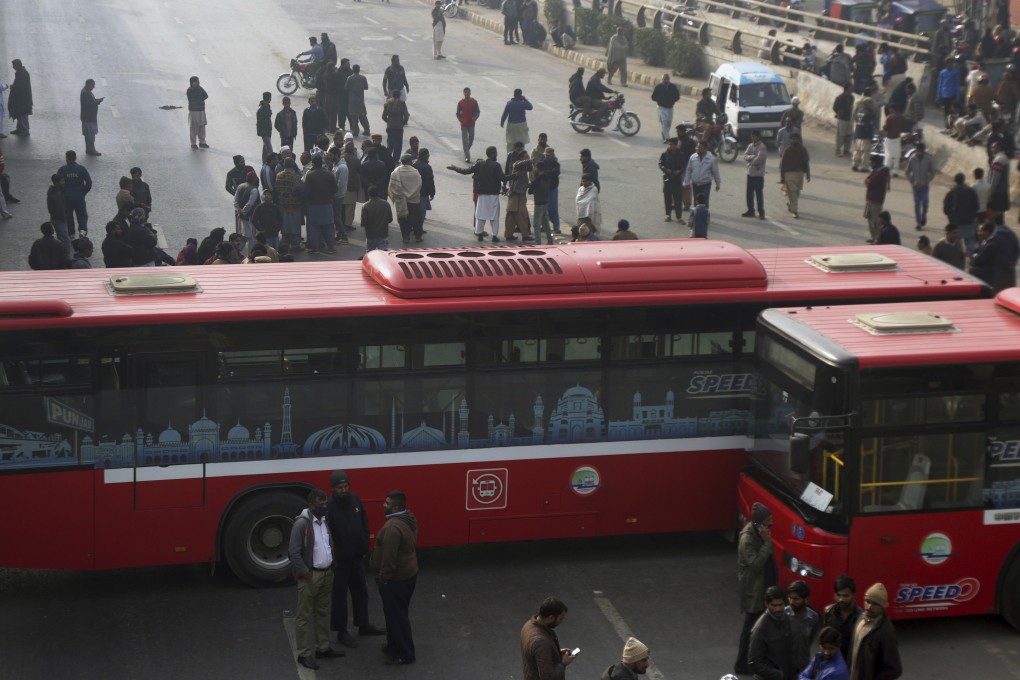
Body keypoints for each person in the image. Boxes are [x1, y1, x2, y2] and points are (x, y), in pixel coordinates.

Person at [324, 471, 385, 647]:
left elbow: (364, 521)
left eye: (346, 486)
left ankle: (363, 624)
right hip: (340, 561)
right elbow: (327, 534)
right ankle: (341, 631)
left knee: (361, 592)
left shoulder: (355, 499)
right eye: (339, 488)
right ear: (333, 489)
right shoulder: (329, 507)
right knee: (339, 597)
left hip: (357, 557)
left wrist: (365, 542)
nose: (343, 490)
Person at [288, 489, 344, 671]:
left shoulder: (324, 521)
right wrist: (305, 573)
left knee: (322, 612)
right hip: (311, 576)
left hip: (327, 573)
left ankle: (323, 647)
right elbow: (293, 553)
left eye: (325, 504)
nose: (324, 507)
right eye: (320, 505)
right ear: (311, 505)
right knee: (303, 615)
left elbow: (327, 544)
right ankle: (304, 653)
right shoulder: (301, 525)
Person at [370, 490, 418, 666]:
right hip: (409, 574)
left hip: (396, 580)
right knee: (395, 614)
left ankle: (406, 654)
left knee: (397, 617)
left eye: (387, 502)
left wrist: (383, 578)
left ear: (395, 507)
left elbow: (389, 559)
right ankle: (393, 646)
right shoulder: (409, 518)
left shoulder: (391, 528)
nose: (383, 504)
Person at [735, 502, 774, 676]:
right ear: (759, 523)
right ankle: (742, 663)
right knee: (751, 627)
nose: (770, 526)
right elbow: (756, 565)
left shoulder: (758, 533)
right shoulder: (748, 539)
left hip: (763, 587)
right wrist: (767, 544)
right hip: (754, 591)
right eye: (768, 522)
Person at [448, 146, 504, 242]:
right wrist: (515, 175)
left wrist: (455, 168)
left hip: (481, 195)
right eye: (496, 153)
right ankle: (494, 236)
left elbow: (466, 171)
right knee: (494, 216)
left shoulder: (479, 164)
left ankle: (480, 235)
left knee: (480, 216)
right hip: (493, 195)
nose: (497, 155)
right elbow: (504, 178)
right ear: (493, 153)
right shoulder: (496, 165)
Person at [849, 584, 903, 680]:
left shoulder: (886, 631)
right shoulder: (860, 618)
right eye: (867, 601)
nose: (869, 607)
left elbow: (894, 669)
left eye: (875, 604)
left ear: (883, 607)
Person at [520, 597, 575, 680]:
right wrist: (564, 663)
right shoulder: (541, 642)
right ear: (551, 618)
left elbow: (535, 654)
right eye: (560, 618)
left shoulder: (528, 625)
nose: (562, 621)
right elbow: (548, 677)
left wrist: (556, 652)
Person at [748, 585, 796, 680]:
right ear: (766, 603)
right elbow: (753, 663)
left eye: (781, 605)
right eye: (774, 605)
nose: (778, 609)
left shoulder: (787, 619)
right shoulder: (760, 629)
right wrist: (778, 675)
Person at [822, 576, 862, 666]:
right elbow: (824, 639)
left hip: (851, 665)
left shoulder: (861, 617)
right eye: (838, 595)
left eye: (845, 596)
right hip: (832, 663)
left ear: (854, 595)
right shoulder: (828, 612)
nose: (841, 599)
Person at [304, 155, 338, 254]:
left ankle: (315, 248)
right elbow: (335, 189)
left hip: (314, 205)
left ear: (313, 163)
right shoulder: (329, 174)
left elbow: (306, 192)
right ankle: (331, 247)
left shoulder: (310, 175)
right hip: (327, 205)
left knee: (314, 227)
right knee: (328, 227)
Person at [786, 580, 821, 674]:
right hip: (785, 667)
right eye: (790, 598)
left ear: (805, 599)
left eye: (796, 599)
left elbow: (809, 640)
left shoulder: (813, 618)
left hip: (803, 668)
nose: (792, 602)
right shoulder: (783, 615)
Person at [943, 172, 980, 256]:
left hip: (956, 222)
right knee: (970, 241)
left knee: (956, 243)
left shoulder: (952, 192)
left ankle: (956, 260)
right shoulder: (971, 191)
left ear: (955, 180)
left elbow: (946, 209)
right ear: (964, 180)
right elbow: (976, 206)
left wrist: (950, 217)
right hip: (969, 221)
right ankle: (972, 259)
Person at [389, 154, 423, 244]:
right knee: (416, 219)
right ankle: (418, 237)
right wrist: (412, 194)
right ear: (409, 162)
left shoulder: (396, 172)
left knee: (403, 220)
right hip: (414, 200)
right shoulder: (415, 172)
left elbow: (392, 186)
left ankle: (406, 237)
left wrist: (402, 195)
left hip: (401, 201)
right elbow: (419, 185)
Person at [59, 150, 93, 237]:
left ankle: (71, 233)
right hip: (79, 196)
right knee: (82, 214)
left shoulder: (62, 170)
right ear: (75, 158)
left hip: (67, 197)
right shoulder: (81, 169)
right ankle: (82, 231)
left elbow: (58, 183)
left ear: (67, 158)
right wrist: (83, 192)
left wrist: (63, 193)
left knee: (68, 214)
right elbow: (88, 182)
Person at [683, 141, 721, 215]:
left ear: (705, 148)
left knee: (704, 202)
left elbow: (715, 172)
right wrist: (686, 182)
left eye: (700, 147)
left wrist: (718, 184)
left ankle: (705, 218)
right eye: (697, 147)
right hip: (695, 184)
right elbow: (688, 170)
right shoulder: (692, 157)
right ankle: (695, 218)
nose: (697, 149)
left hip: (705, 184)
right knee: (696, 202)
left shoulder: (711, 159)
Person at [905, 143, 935, 231]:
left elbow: (932, 172)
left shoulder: (928, 159)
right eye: (919, 151)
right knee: (917, 205)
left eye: (922, 151)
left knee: (925, 203)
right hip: (915, 186)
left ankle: (924, 214)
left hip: (924, 186)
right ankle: (918, 222)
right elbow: (907, 172)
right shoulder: (912, 159)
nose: (920, 153)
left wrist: (927, 180)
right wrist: (911, 180)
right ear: (917, 151)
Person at [780, 133, 810, 218]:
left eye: (796, 139)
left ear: (799, 140)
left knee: (797, 193)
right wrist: (782, 177)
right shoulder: (787, 150)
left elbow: (806, 162)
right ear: (790, 140)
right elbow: (782, 165)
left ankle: (791, 205)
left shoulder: (803, 150)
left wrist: (808, 174)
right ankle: (795, 211)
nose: (794, 140)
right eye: (793, 139)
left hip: (799, 174)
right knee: (792, 192)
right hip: (789, 174)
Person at [864, 154, 890, 243]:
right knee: (870, 219)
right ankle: (874, 237)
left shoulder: (881, 173)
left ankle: (878, 239)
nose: (870, 163)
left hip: (876, 200)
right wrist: (868, 181)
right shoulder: (876, 171)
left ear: (876, 163)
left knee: (876, 221)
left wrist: (868, 181)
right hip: (871, 199)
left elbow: (870, 183)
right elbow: (868, 180)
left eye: (871, 162)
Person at [660, 137, 686, 222]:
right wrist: (665, 169)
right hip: (667, 180)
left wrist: (679, 171)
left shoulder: (681, 155)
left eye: (671, 144)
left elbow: (684, 165)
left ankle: (679, 217)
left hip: (677, 180)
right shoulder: (665, 154)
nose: (669, 146)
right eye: (669, 144)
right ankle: (668, 215)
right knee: (667, 198)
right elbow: (660, 163)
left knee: (678, 200)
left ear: (675, 145)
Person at [851, 88, 877, 172]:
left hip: (858, 133)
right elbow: (870, 125)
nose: (873, 104)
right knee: (866, 152)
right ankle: (864, 167)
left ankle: (855, 164)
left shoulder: (860, 111)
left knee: (857, 150)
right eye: (872, 103)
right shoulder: (870, 113)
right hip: (865, 135)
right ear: (868, 104)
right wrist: (871, 136)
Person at [742, 130, 767, 220]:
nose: (753, 138)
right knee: (749, 193)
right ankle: (751, 210)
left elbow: (759, 159)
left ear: (758, 137)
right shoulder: (750, 145)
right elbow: (744, 156)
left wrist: (750, 159)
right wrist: (752, 157)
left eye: (754, 137)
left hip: (758, 174)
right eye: (752, 136)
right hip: (750, 173)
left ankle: (761, 212)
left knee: (759, 194)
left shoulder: (762, 147)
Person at [361, 184, 393, 252]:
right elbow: (390, 219)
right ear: (378, 193)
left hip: (371, 235)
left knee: (370, 254)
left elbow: (363, 223)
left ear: (369, 194)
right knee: (383, 254)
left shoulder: (365, 206)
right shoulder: (386, 204)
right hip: (383, 234)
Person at [501, 89, 533, 153]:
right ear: (521, 95)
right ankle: (520, 154)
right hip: (521, 125)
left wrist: (502, 122)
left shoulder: (509, 103)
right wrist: (525, 99)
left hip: (512, 125)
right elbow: (530, 107)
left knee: (510, 142)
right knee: (521, 142)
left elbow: (505, 114)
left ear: (514, 94)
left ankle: (510, 154)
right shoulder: (522, 103)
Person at [382, 90, 410, 165]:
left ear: (392, 95)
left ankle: (388, 159)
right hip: (399, 127)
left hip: (390, 127)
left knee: (390, 143)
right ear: (399, 95)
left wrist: (388, 122)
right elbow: (406, 115)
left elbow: (383, 116)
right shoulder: (402, 103)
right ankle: (395, 159)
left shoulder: (387, 103)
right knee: (398, 144)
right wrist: (403, 123)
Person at [47, 174, 71, 258]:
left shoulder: (52, 191)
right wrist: (64, 218)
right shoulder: (57, 194)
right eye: (62, 181)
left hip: (54, 218)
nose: (64, 182)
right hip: (60, 219)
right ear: (57, 182)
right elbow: (59, 209)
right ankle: (67, 258)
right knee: (66, 240)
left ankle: (61, 256)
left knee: (61, 238)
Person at [651, 74, 681, 142]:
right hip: (661, 108)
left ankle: (664, 133)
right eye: (664, 79)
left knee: (668, 122)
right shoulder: (658, 87)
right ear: (662, 80)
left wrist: (672, 100)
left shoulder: (673, 87)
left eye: (667, 79)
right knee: (664, 121)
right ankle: (667, 138)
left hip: (670, 107)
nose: (666, 81)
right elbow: (653, 97)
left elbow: (677, 96)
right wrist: (660, 100)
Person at [80, 79, 104, 156]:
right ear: (88, 84)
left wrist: (96, 100)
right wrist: (97, 101)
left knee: (89, 134)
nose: (94, 87)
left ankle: (89, 149)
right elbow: (88, 105)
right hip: (88, 117)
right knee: (90, 135)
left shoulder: (87, 92)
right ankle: (92, 149)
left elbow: (90, 102)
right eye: (93, 85)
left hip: (89, 117)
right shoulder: (85, 93)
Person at [345, 65, 371, 137]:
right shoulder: (363, 78)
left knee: (354, 117)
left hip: (352, 100)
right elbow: (366, 87)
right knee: (363, 116)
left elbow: (346, 88)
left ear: (353, 70)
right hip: (360, 99)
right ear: (359, 70)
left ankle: (356, 131)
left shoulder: (350, 78)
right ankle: (367, 130)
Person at [8, 59, 32, 136]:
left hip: (24, 99)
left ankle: (25, 130)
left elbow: (21, 87)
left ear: (18, 65)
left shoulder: (22, 74)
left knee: (23, 114)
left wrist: (13, 87)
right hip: (20, 99)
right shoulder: (20, 73)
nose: (13, 67)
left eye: (14, 65)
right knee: (19, 113)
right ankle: (19, 129)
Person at [456, 87, 480, 163]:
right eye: (465, 92)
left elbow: (477, 111)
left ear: (470, 93)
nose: (467, 93)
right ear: (463, 93)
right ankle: (467, 156)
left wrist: (475, 118)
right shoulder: (460, 102)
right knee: (465, 140)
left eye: (468, 92)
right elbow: (457, 113)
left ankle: (466, 150)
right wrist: (460, 119)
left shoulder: (474, 102)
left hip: (471, 124)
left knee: (471, 139)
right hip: (464, 124)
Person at [186, 76, 208, 150]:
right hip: (194, 111)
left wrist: (199, 97)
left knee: (202, 127)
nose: (199, 83)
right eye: (197, 81)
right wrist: (200, 98)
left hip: (201, 110)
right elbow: (193, 99)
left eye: (199, 81)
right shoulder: (189, 90)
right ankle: (193, 143)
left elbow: (205, 95)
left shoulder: (200, 88)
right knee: (193, 128)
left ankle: (202, 142)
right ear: (193, 83)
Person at [833, 83, 854, 158]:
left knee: (849, 135)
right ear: (847, 88)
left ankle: (846, 150)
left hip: (849, 118)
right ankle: (838, 150)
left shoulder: (851, 97)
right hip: (842, 118)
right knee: (841, 135)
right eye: (851, 88)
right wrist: (839, 113)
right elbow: (835, 107)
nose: (852, 89)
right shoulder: (840, 98)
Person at [257, 92, 273, 162]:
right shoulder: (261, 109)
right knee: (270, 150)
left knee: (265, 150)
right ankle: (271, 162)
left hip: (268, 131)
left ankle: (264, 162)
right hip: (265, 133)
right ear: (269, 98)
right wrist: (264, 134)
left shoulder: (267, 106)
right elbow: (261, 123)